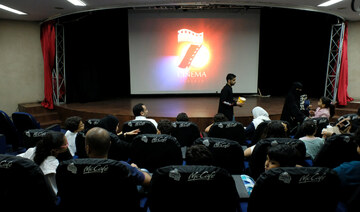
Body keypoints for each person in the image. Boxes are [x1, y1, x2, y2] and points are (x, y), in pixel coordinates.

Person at [85, 127, 151, 186]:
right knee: (144, 171)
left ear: (87, 148)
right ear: (109, 145)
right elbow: (149, 180)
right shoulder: (122, 166)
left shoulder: (77, 166)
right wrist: (136, 169)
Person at [18, 131, 68, 195]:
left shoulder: (31, 150)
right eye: (66, 144)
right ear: (55, 150)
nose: (67, 145)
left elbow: (17, 158)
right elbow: (54, 192)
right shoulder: (52, 166)